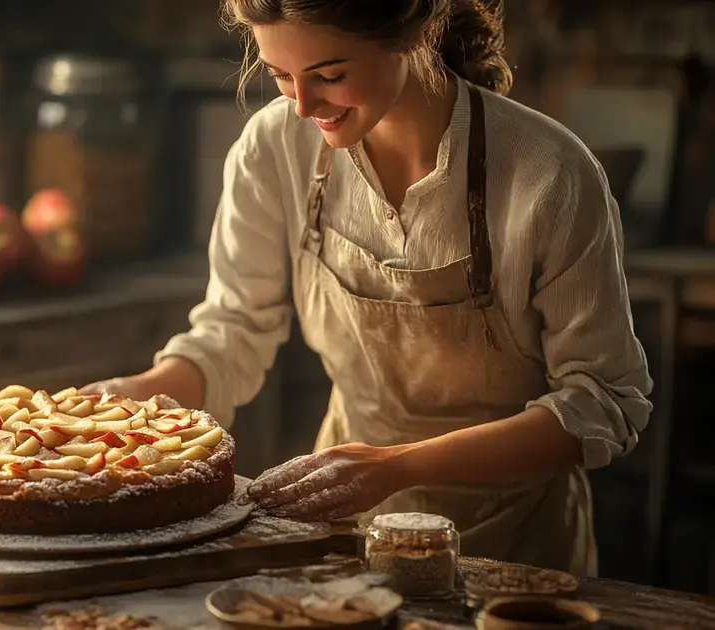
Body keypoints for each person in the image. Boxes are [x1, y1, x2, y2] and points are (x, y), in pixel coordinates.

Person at [81, 0, 652, 576]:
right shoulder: (274, 148)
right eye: (281, 77)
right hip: (341, 526)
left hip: (517, 545)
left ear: (415, 31)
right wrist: (133, 401)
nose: (303, 106)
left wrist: (396, 467)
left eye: (330, 76)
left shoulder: (547, 171)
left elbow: (603, 400)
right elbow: (234, 329)